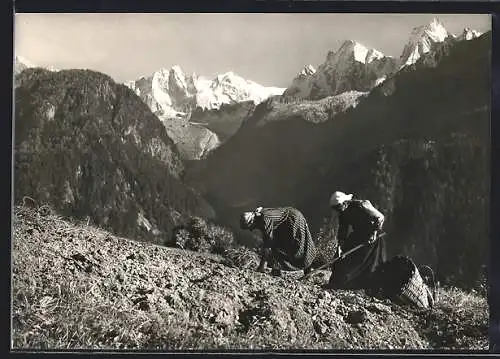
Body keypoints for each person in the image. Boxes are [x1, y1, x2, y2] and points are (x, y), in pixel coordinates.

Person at [327, 191, 387, 289]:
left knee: (366, 261)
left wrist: (374, 233)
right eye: (335, 208)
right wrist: (340, 246)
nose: (337, 210)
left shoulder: (361, 205)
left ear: (345, 203)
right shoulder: (342, 213)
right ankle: (336, 283)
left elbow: (380, 217)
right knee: (342, 257)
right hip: (358, 234)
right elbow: (343, 230)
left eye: (338, 207)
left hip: (372, 235)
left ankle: (361, 286)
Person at [240, 206, 316, 277]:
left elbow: (268, 243)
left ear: (252, 221)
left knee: (299, 246)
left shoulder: (264, 219)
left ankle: (307, 270)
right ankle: (276, 270)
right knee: (277, 244)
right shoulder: (259, 217)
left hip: (294, 220)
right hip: (286, 222)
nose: (252, 230)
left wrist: (261, 266)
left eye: (250, 227)